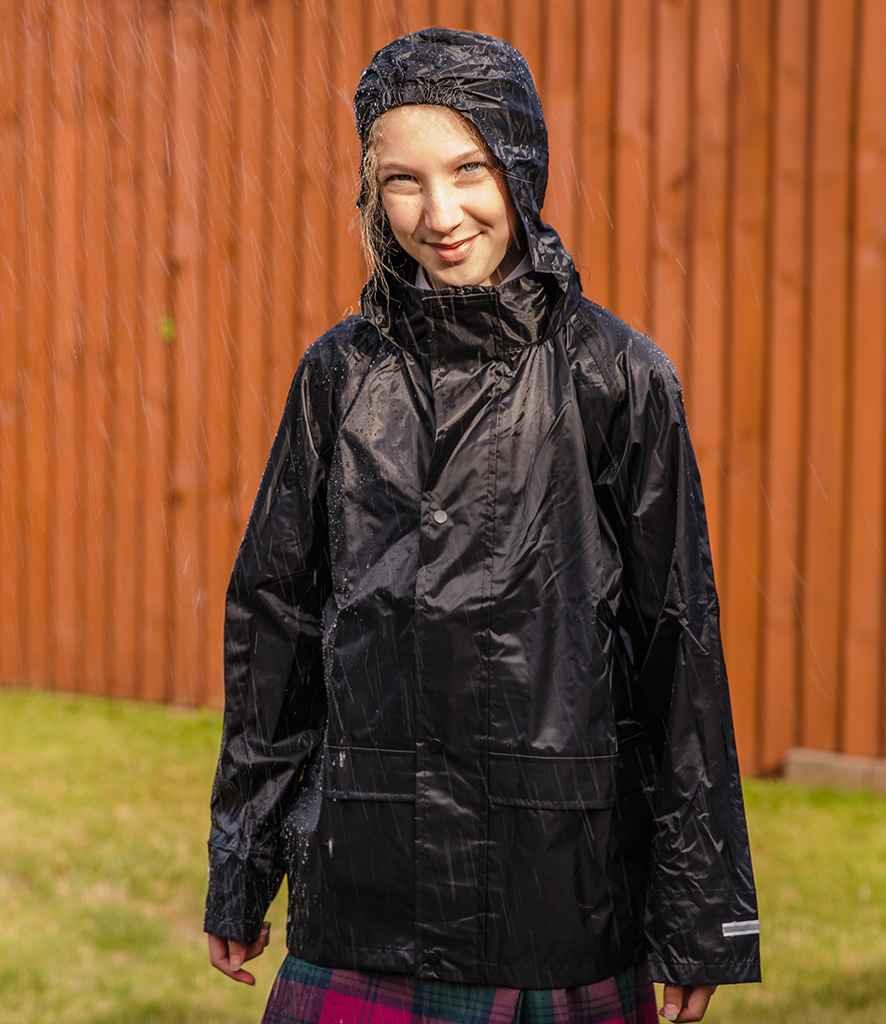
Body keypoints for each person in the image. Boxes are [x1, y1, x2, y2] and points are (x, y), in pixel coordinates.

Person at [203, 26, 762, 1024]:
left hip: (557, 893)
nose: (441, 213)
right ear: (372, 193)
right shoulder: (338, 375)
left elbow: (676, 647)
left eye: (469, 169)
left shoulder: (615, 377)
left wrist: (700, 913)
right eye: (402, 181)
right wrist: (242, 865)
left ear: (521, 161)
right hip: (366, 886)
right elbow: (275, 629)